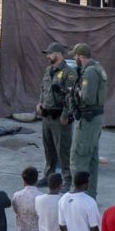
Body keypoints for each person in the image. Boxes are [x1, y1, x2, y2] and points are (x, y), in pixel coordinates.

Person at [70, 43, 108, 198]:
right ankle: (90, 194)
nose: (74, 59)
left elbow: (87, 98)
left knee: (79, 156)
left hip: (88, 119)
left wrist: (76, 92)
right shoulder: (96, 68)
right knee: (92, 157)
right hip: (95, 118)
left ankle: (78, 194)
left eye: (75, 56)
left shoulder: (89, 73)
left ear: (80, 56)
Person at [36, 42, 76, 184]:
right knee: (48, 147)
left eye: (50, 53)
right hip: (46, 115)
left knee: (63, 150)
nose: (47, 56)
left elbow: (71, 96)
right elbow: (43, 89)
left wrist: (66, 114)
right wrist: (40, 103)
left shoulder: (68, 73)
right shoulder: (48, 70)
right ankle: (48, 175)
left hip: (60, 118)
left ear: (58, 55)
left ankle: (67, 178)